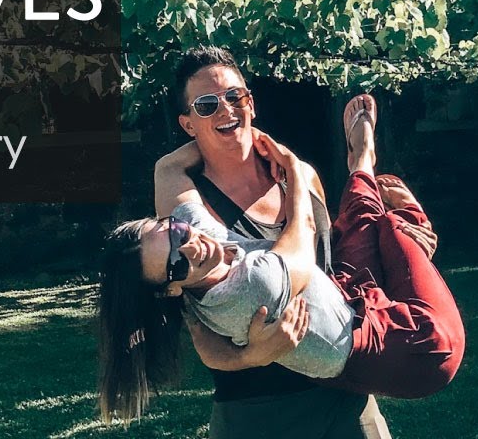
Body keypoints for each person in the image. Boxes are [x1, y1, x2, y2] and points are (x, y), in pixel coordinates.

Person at [97, 48, 458, 432]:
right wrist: (254, 353)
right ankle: (362, 164)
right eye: (206, 105)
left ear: (250, 101)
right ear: (188, 124)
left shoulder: (299, 175)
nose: (225, 110)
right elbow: (201, 333)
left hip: (346, 390)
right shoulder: (187, 207)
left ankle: (362, 164)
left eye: (235, 97)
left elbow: (337, 271)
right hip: (257, 409)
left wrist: (402, 249)